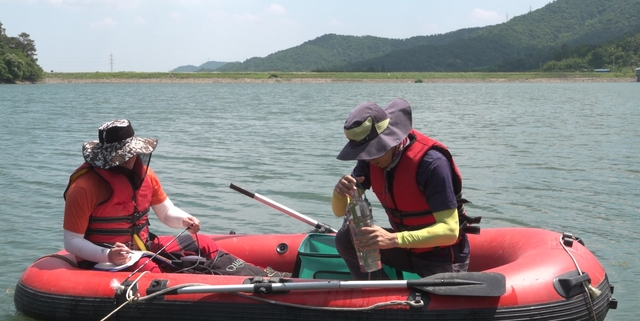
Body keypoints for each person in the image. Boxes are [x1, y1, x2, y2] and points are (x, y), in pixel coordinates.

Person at [63, 119, 288, 277]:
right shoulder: (84, 187)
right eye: (123, 155)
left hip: (143, 245)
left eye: (131, 153)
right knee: (150, 269)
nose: (130, 159)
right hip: (104, 257)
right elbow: (72, 242)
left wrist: (185, 220)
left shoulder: (146, 176)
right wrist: (108, 255)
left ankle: (260, 276)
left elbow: (166, 212)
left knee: (203, 242)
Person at [331, 98, 479, 280]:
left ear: (390, 139)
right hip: (404, 249)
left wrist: (393, 240)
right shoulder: (370, 161)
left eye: (373, 151)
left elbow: (449, 231)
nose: (368, 159)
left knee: (435, 298)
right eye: (364, 153)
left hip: (441, 256)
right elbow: (339, 212)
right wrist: (339, 193)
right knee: (346, 239)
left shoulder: (432, 163)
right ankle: (375, 294)